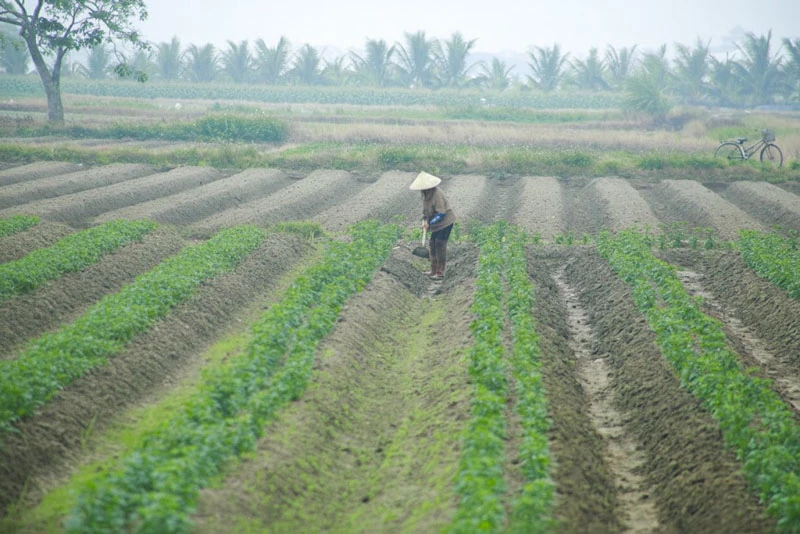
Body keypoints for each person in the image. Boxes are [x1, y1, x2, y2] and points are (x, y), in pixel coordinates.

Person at [409, 171, 456, 280]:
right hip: (436, 224)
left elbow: (441, 213)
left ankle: (440, 272)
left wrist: (429, 223)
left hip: (446, 222)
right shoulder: (425, 195)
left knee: (440, 244)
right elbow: (426, 211)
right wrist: (425, 220)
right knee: (432, 244)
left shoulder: (437, 194)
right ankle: (433, 269)